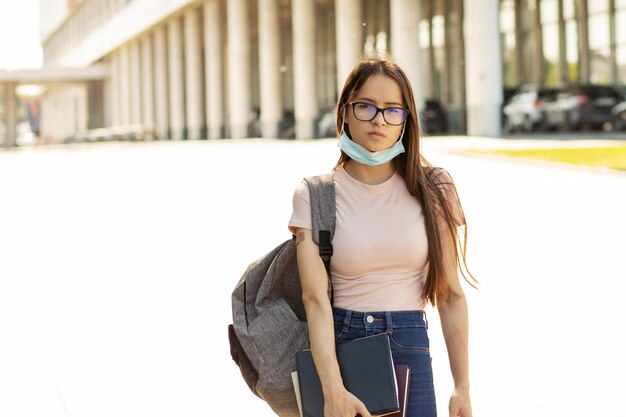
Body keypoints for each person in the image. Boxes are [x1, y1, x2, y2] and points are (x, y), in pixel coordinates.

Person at [288, 57, 476, 417]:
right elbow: (314, 300)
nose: (379, 119)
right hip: (343, 351)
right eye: (366, 106)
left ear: (406, 120)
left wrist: (462, 386)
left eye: (393, 110)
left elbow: (450, 294)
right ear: (344, 112)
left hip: (411, 345)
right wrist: (333, 390)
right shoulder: (313, 195)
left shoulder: (435, 187)